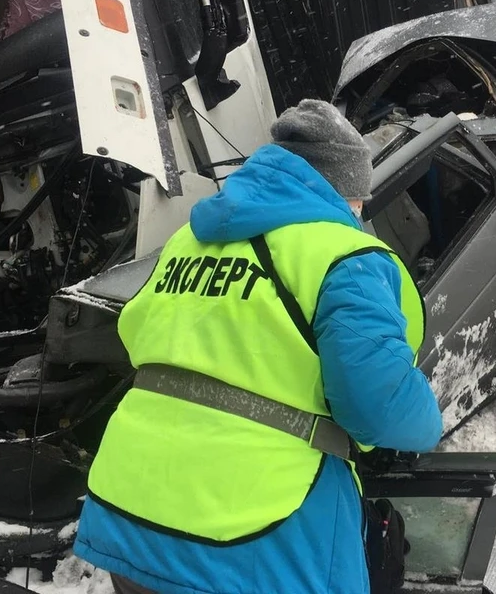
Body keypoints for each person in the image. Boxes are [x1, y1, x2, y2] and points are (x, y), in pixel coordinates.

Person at [73, 99, 444, 594]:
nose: (359, 209)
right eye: (360, 197)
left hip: (132, 503)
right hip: (249, 530)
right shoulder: (344, 255)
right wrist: (429, 417)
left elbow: (136, 332)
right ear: (343, 188)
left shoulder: (189, 240)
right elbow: (379, 406)